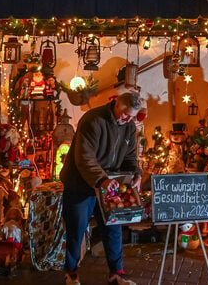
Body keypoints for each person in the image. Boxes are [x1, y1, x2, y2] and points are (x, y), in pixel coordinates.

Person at [60, 92, 143, 285]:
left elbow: (130, 156)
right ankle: (71, 273)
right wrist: (101, 180)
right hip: (80, 183)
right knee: (77, 227)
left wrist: (135, 173)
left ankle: (117, 273)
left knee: (112, 226)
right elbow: (84, 157)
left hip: (108, 183)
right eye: (126, 114)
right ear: (117, 105)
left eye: (132, 116)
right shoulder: (93, 120)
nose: (129, 119)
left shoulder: (129, 126)